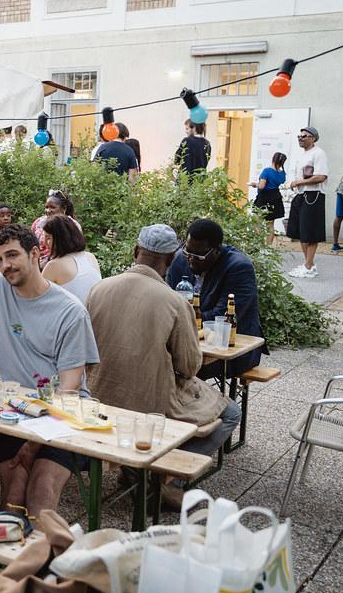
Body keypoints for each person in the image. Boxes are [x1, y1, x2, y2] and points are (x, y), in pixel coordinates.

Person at [0, 224, 100, 516]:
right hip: (12, 410)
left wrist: (32, 445)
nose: (5, 265)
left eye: (12, 255)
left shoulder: (70, 311)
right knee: (13, 495)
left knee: (40, 493)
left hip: (61, 416)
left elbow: (69, 388)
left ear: (35, 254)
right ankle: (9, 543)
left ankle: (50, 545)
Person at [87, 224, 241, 460]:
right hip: (152, 404)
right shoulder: (175, 302)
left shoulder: (98, 289)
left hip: (97, 394)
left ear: (135, 250)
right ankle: (167, 471)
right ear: (171, 259)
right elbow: (189, 367)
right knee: (231, 413)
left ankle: (146, 468)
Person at [166, 218, 265, 378]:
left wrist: (178, 322)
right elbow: (168, 302)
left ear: (217, 250)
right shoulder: (180, 259)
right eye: (188, 252)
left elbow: (221, 318)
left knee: (179, 368)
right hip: (188, 341)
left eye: (198, 256)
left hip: (231, 348)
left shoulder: (239, 268)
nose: (191, 260)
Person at [285, 126, 329, 278]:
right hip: (301, 195)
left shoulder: (318, 153)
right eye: (299, 136)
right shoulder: (303, 155)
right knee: (301, 231)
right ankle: (308, 264)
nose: (300, 138)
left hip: (313, 195)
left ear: (313, 138)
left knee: (310, 232)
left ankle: (309, 266)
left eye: (304, 136)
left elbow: (321, 176)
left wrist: (298, 182)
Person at [41, 215, 102, 305]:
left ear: (61, 238)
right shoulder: (90, 257)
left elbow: (38, 300)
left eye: (48, 238)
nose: (44, 243)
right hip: (97, 311)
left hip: (73, 314)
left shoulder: (54, 265)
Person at [30, 190, 76, 264]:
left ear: (64, 208)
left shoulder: (71, 225)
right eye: (46, 207)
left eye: (52, 207)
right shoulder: (38, 223)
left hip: (61, 262)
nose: (48, 210)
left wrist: (48, 262)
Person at [251, 152, 287, 245]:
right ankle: (268, 246)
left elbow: (261, 186)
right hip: (275, 197)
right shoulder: (282, 173)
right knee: (270, 224)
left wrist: (255, 184)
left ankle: (259, 244)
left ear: (273, 159)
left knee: (256, 221)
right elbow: (281, 182)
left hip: (264, 198)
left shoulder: (266, 171)